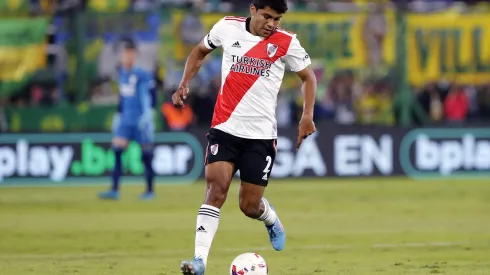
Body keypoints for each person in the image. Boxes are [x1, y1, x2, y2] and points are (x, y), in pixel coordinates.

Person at [173, 1, 317, 274]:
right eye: (267, 16)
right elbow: (199, 52)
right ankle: (199, 261)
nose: (272, 24)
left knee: (248, 206)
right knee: (215, 191)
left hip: (260, 137)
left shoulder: (286, 42)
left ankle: (271, 218)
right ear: (252, 10)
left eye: (276, 18)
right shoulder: (227, 27)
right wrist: (184, 83)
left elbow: (308, 78)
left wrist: (306, 115)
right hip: (224, 129)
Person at [98, 38, 156, 201]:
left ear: (134, 55)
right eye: (125, 54)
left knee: (146, 155)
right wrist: (118, 114)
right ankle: (114, 190)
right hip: (125, 120)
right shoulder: (121, 73)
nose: (128, 57)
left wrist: (149, 114)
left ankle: (150, 191)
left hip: (140, 121)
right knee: (117, 151)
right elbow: (122, 97)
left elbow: (151, 95)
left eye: (130, 54)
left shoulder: (142, 74)